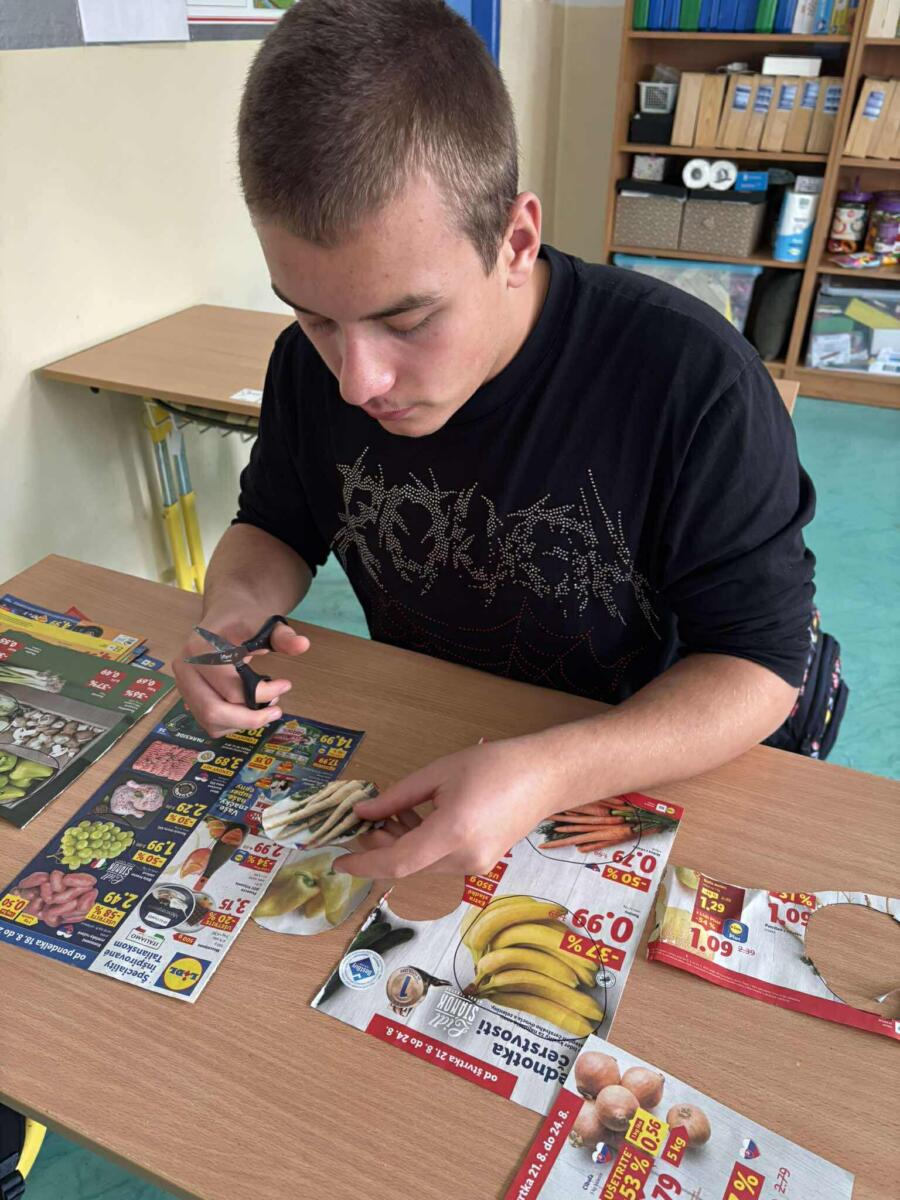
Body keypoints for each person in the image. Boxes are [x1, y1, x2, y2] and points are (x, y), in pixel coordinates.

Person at [175, 0, 815, 880]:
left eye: (408, 320)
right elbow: (275, 526)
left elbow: (760, 665)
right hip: (434, 728)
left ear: (516, 240)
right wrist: (230, 619)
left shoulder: (694, 382)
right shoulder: (307, 369)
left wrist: (549, 770)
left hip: (634, 760)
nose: (357, 381)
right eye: (314, 317)